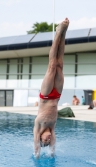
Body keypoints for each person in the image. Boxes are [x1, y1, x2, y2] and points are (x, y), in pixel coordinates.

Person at [33, 18, 69, 158]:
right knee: (60, 65)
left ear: (40, 138)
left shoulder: (38, 126)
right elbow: (53, 148)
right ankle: (64, 33)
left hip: (46, 95)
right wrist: (52, 153)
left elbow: (36, 147)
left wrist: (38, 154)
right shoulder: (52, 129)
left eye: (45, 141)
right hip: (57, 95)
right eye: (49, 141)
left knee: (52, 65)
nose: (48, 140)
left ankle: (58, 32)